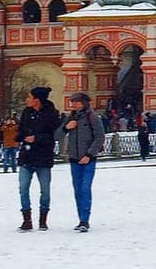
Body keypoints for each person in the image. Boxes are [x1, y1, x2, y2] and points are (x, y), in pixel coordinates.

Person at [56, 90, 105, 233]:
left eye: (77, 102)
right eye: (73, 102)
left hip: (88, 159)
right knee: (77, 190)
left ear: (84, 103)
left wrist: (89, 154)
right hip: (74, 159)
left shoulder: (93, 117)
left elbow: (100, 137)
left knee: (85, 188)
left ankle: (85, 219)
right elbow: (57, 135)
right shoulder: (70, 118)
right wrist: (66, 127)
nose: (74, 105)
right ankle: (81, 219)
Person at [16, 86, 60, 231]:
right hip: (27, 157)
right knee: (23, 189)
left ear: (37, 100)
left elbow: (54, 135)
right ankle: (26, 219)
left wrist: (37, 138)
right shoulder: (26, 113)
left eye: (29, 97)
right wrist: (20, 137)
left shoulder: (51, 114)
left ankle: (43, 219)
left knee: (45, 190)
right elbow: (21, 130)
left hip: (43, 157)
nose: (27, 100)